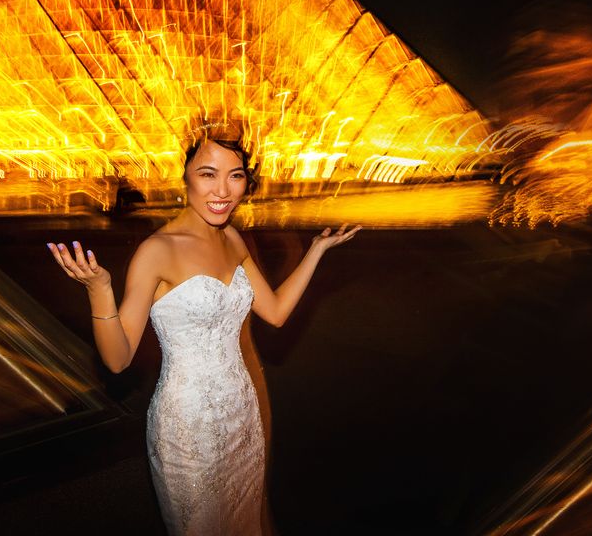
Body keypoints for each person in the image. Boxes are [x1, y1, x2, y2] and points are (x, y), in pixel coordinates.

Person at [46, 133, 360, 535]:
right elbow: (117, 360)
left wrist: (316, 250)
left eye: (235, 176)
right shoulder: (157, 251)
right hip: (188, 426)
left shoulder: (231, 238)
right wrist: (99, 290)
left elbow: (276, 313)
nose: (222, 191)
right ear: (186, 178)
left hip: (241, 414)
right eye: (208, 174)